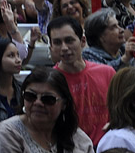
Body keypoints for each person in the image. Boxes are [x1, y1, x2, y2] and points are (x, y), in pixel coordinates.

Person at [48, 16, 116, 144]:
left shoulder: (107, 73)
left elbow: (122, 108)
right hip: (70, 147)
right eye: (57, 42)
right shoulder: (50, 81)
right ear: (51, 46)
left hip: (107, 146)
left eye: (69, 40)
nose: (64, 48)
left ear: (82, 41)